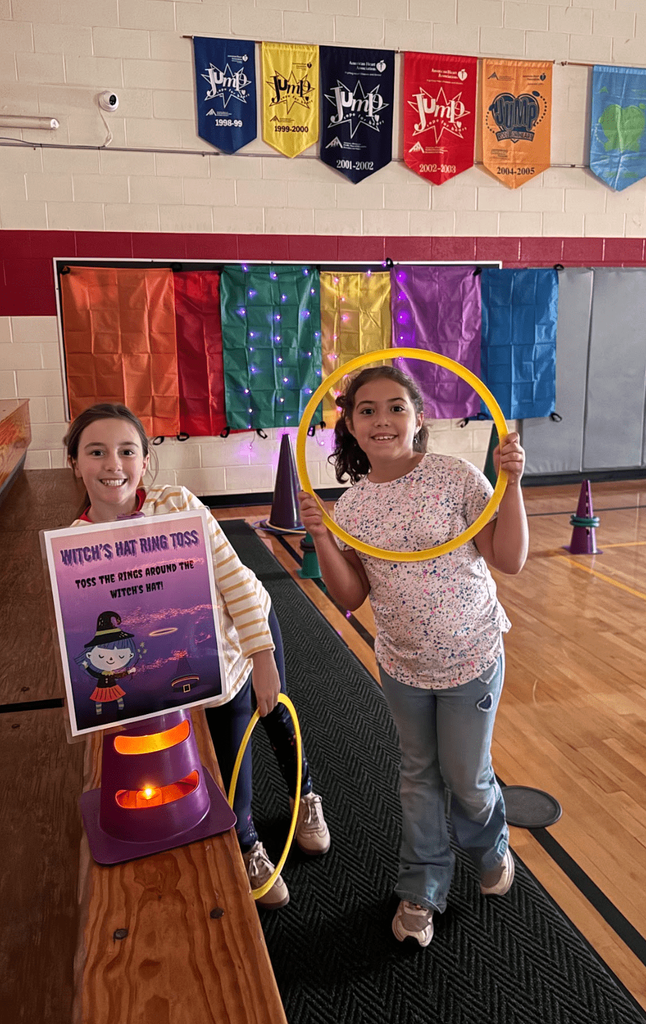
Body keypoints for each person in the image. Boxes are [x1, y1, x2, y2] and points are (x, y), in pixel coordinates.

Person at [64, 402, 330, 909]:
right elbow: (91, 639)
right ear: (75, 462)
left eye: (126, 451)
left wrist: (262, 656)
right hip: (186, 671)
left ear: (144, 461)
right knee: (230, 755)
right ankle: (247, 840)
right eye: (95, 452)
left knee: (274, 716)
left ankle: (305, 794)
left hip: (242, 638)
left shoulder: (176, 503)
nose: (112, 464)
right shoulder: (75, 545)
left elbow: (234, 580)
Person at [299, 366, 528, 947]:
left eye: (396, 407)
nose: (383, 419)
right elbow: (351, 597)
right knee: (417, 775)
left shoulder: (452, 478)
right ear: (349, 425)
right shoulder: (351, 508)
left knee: (468, 777)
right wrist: (323, 536)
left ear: (419, 418)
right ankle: (421, 886)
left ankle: (489, 844)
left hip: (471, 655)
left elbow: (509, 558)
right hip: (401, 664)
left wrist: (513, 483)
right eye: (367, 410)